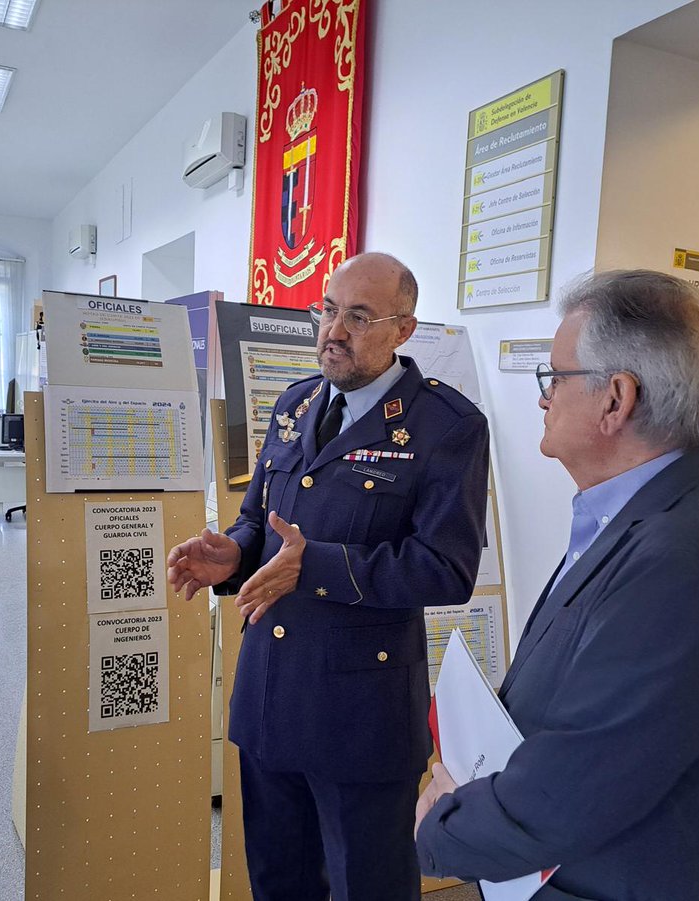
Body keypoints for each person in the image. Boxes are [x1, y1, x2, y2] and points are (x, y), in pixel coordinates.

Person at [414, 270, 699, 901]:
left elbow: (576, 787)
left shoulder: (684, 558)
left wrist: (442, 827)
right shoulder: (641, 517)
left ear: (616, 399)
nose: (543, 397)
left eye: (555, 377)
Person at [167, 252, 490, 901]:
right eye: (328, 309)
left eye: (359, 316)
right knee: (279, 882)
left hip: (359, 718)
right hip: (268, 702)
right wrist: (233, 554)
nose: (333, 330)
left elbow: (445, 568)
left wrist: (313, 566)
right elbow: (258, 520)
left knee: (367, 886)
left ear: (403, 329)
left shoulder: (445, 427)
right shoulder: (294, 404)